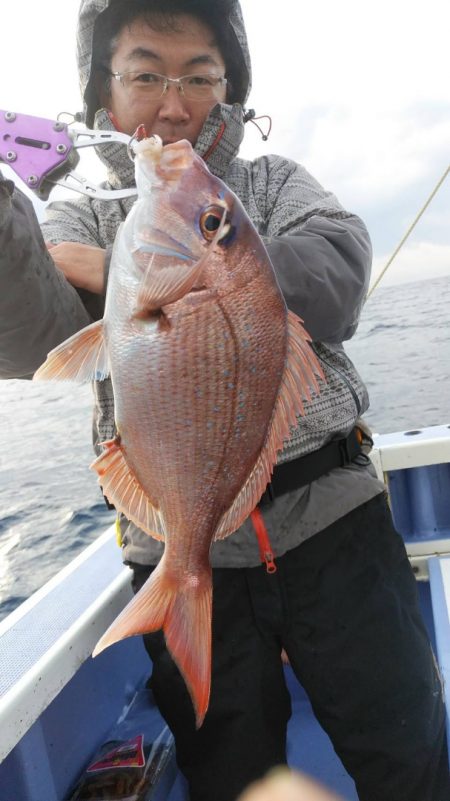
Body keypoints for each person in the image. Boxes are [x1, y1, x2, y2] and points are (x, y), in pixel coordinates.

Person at [0, 2, 448, 800]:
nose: (174, 104)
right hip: (174, 533)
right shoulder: (77, 213)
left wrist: (153, 271)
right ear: (104, 95)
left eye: (199, 77)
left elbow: (339, 269)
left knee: (409, 748)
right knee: (230, 774)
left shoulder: (271, 186)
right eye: (146, 74)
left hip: (334, 522)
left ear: (229, 91)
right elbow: (31, 338)